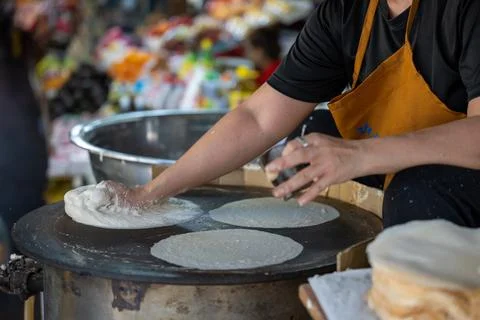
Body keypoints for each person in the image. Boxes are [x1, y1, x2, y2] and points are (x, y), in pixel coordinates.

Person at [106, 0, 480, 229]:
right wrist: (150, 192)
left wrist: (361, 155)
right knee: (306, 141)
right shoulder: (346, 12)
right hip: (405, 156)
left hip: (463, 170)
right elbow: (258, 117)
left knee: (418, 194)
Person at [0, 2, 49, 319]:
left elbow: (29, 52)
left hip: (19, 127)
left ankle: (24, 301)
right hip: (11, 135)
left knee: (25, 218)